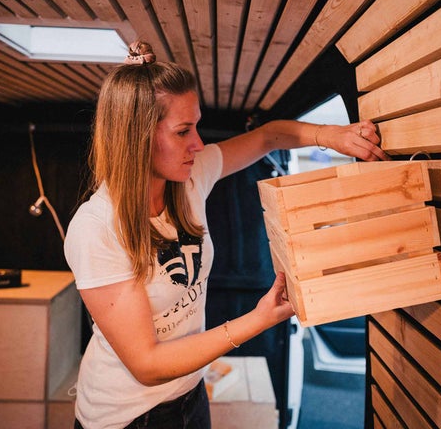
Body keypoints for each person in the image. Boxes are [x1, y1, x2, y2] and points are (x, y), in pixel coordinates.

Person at [64, 41, 387, 429]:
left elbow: (269, 137)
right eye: (183, 131)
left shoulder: (190, 177)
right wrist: (258, 320)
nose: (198, 144)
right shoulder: (97, 227)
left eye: (195, 126)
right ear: (137, 138)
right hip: (127, 416)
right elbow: (147, 365)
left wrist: (332, 135)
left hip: (189, 392)